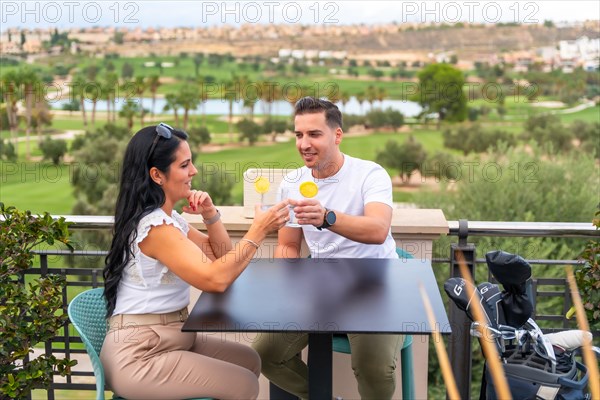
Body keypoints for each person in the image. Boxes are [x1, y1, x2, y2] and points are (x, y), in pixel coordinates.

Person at [101, 123, 290, 400]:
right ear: (157, 175)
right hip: (141, 354)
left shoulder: (171, 220)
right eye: (185, 165)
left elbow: (221, 258)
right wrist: (259, 230)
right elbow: (215, 280)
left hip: (173, 338)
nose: (194, 172)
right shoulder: (156, 229)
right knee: (243, 384)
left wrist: (211, 215)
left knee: (249, 360)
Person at [252, 97, 404, 399]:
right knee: (265, 354)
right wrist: (288, 282)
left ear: (337, 135)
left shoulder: (370, 174)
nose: (304, 143)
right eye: (299, 135)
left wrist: (327, 218)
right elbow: (289, 245)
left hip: (374, 284)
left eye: (314, 134)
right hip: (319, 288)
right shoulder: (292, 182)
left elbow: (378, 229)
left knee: (374, 367)